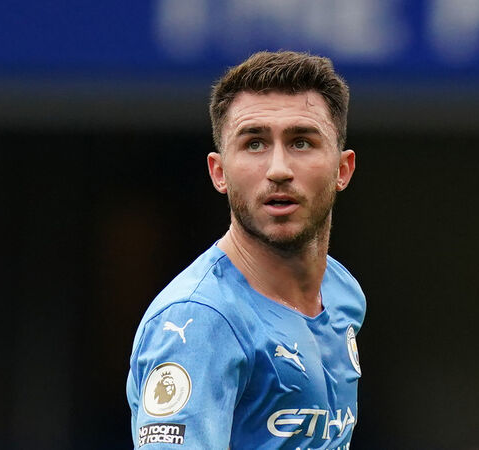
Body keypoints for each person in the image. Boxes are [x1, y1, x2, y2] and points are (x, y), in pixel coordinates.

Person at [126, 50, 365, 449]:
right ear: (219, 172)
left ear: (343, 169)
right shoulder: (199, 320)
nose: (278, 169)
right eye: (254, 144)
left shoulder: (342, 292)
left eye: (301, 142)